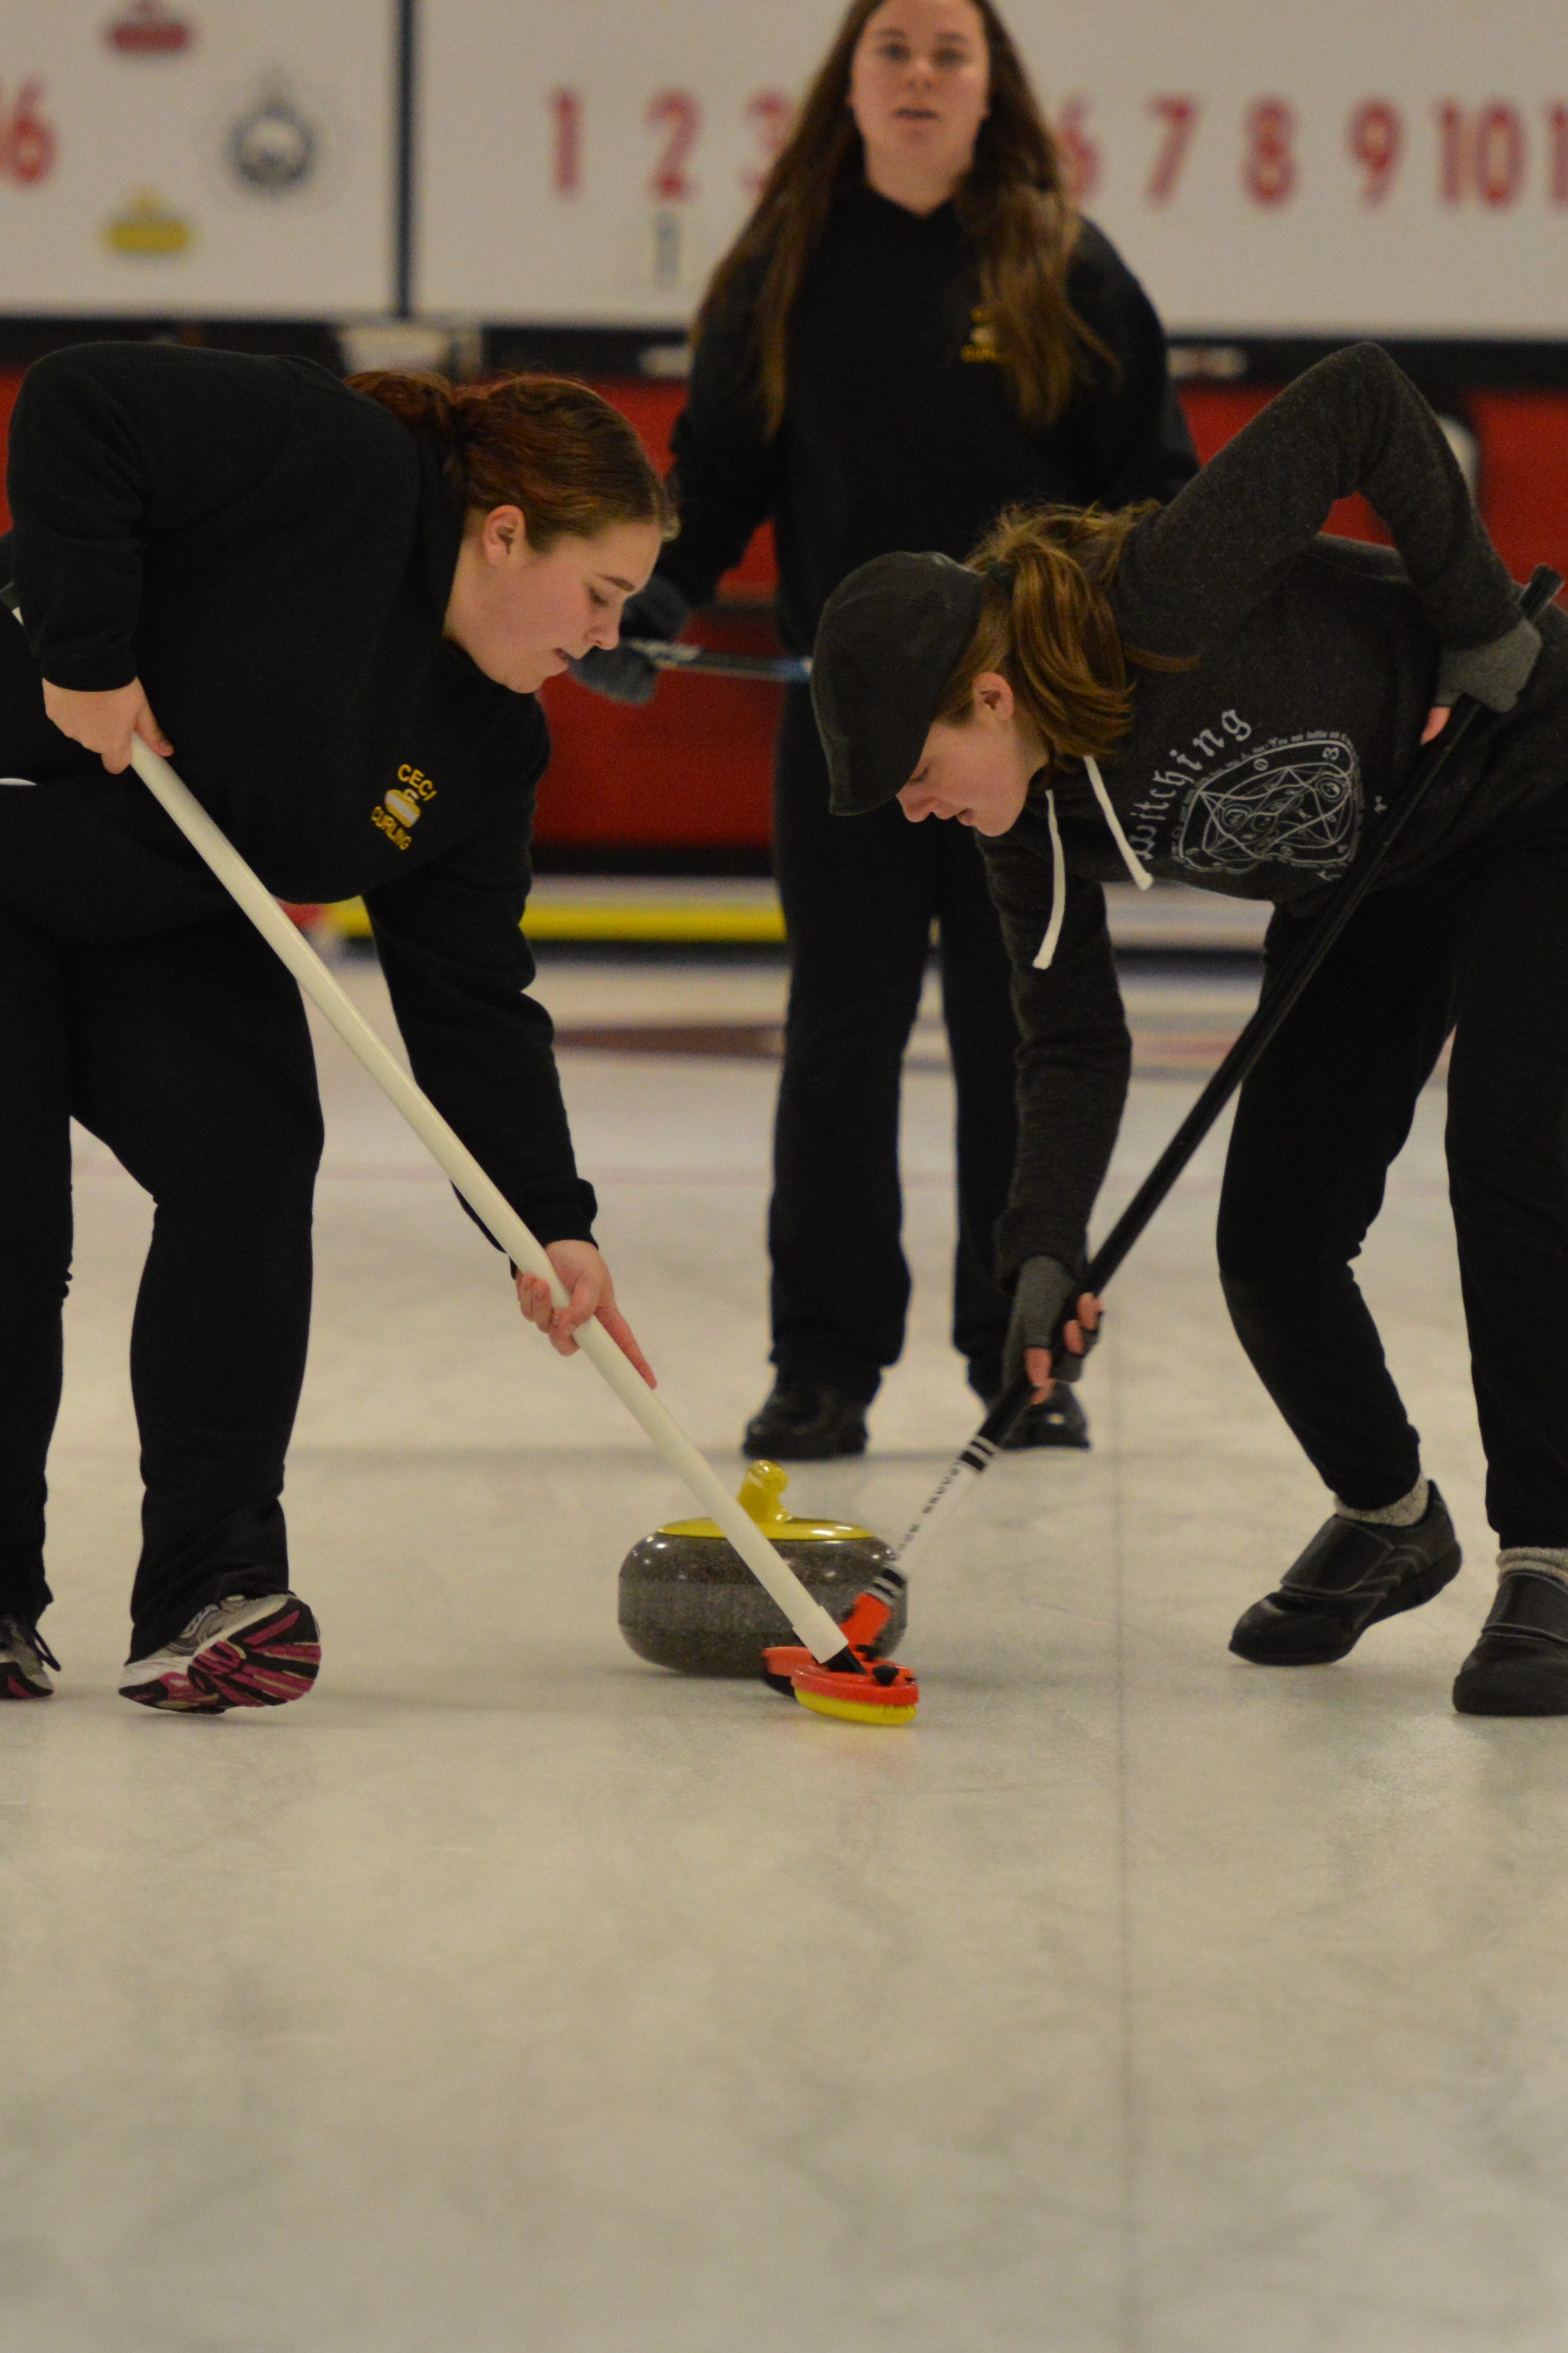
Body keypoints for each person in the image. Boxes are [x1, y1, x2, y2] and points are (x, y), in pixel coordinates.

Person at [808, 339, 1568, 1720]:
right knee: (1272, 1239)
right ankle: (1389, 1515)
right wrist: (1040, 1251)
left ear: (986, 696)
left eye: (918, 776)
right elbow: (1071, 1046)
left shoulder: (1149, 598)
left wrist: (1473, 613)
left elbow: (1357, 401)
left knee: (1510, 1170)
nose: (919, 813)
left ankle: (1552, 1558)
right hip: (1378, 870)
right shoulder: (1021, 826)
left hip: (1531, 784)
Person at [0, 342, 668, 1713]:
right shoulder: (341, 468)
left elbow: (472, 996)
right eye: (598, 594)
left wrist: (545, 1217)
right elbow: (80, 406)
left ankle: (210, 1586)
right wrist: (84, 649)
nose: (605, 639)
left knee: (248, 1154)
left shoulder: (490, 744)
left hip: (167, 913)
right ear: (502, 532)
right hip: (7, 825)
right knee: (16, 1224)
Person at [574, 0, 1195, 1460]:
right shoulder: (781, 270)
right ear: (848, 84)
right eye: (893, 49)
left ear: (992, 91)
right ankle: (822, 1365)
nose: (919, 74)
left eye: (948, 52)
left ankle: (1019, 1355)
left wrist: (1109, 654)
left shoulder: (1066, 263)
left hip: (1025, 742)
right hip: (844, 743)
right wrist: (651, 600)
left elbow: (1152, 487)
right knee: (839, 1043)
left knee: (1017, 1040)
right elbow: (712, 477)